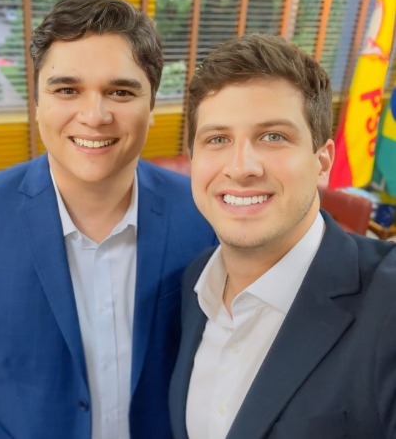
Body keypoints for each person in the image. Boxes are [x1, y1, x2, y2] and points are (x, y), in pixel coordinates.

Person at [0, 0, 217, 439]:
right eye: (67, 90)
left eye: (120, 92)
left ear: (152, 105)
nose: (94, 116)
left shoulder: (206, 213)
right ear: (37, 101)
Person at [169, 33, 396, 439]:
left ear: (322, 160)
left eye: (273, 136)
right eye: (217, 139)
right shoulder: (192, 283)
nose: (241, 167)